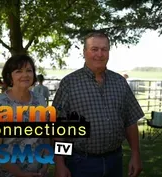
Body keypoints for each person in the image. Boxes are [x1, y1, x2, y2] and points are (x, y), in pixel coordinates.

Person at [52, 31, 144, 177]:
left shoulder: (119, 82)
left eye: (104, 49)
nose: (99, 54)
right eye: (94, 49)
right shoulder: (69, 83)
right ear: (84, 52)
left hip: (115, 160)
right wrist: (60, 163)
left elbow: (130, 121)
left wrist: (135, 154)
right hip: (80, 162)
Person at [0, 54, 49, 177]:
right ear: (9, 76)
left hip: (36, 172)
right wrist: (20, 174)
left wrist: (45, 163)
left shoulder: (40, 100)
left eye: (29, 70)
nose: (25, 75)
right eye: (19, 71)